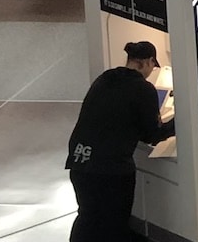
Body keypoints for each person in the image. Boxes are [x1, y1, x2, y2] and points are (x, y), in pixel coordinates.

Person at [65, 39, 175, 242]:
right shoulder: (144, 88)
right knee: (114, 223)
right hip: (112, 171)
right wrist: (177, 124)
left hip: (80, 162)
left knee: (87, 218)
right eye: (153, 65)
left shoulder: (105, 78)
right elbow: (151, 135)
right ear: (149, 62)